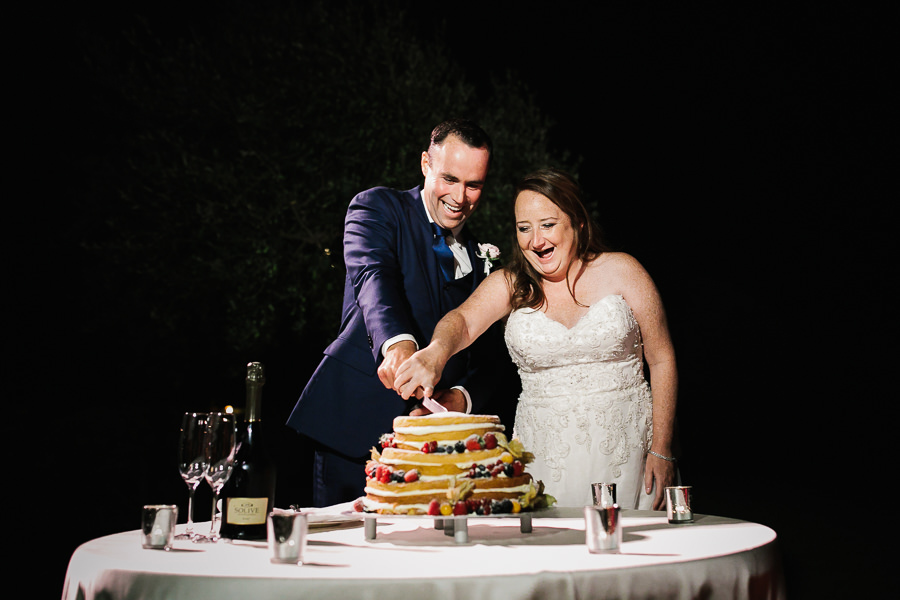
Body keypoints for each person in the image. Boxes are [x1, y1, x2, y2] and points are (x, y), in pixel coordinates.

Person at [394, 168, 678, 509]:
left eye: (548, 224)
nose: (535, 240)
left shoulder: (623, 270)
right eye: (523, 228)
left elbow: (662, 359)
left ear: (578, 223)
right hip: (544, 458)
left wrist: (662, 448)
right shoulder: (511, 283)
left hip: (629, 453)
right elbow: (462, 321)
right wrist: (435, 353)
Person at [286, 119, 519, 507]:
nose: (460, 197)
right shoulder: (378, 208)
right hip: (356, 427)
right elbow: (374, 279)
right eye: (449, 178)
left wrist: (459, 398)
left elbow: (490, 354)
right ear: (426, 163)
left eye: (473, 184)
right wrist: (398, 347)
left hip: (439, 446)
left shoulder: (484, 259)